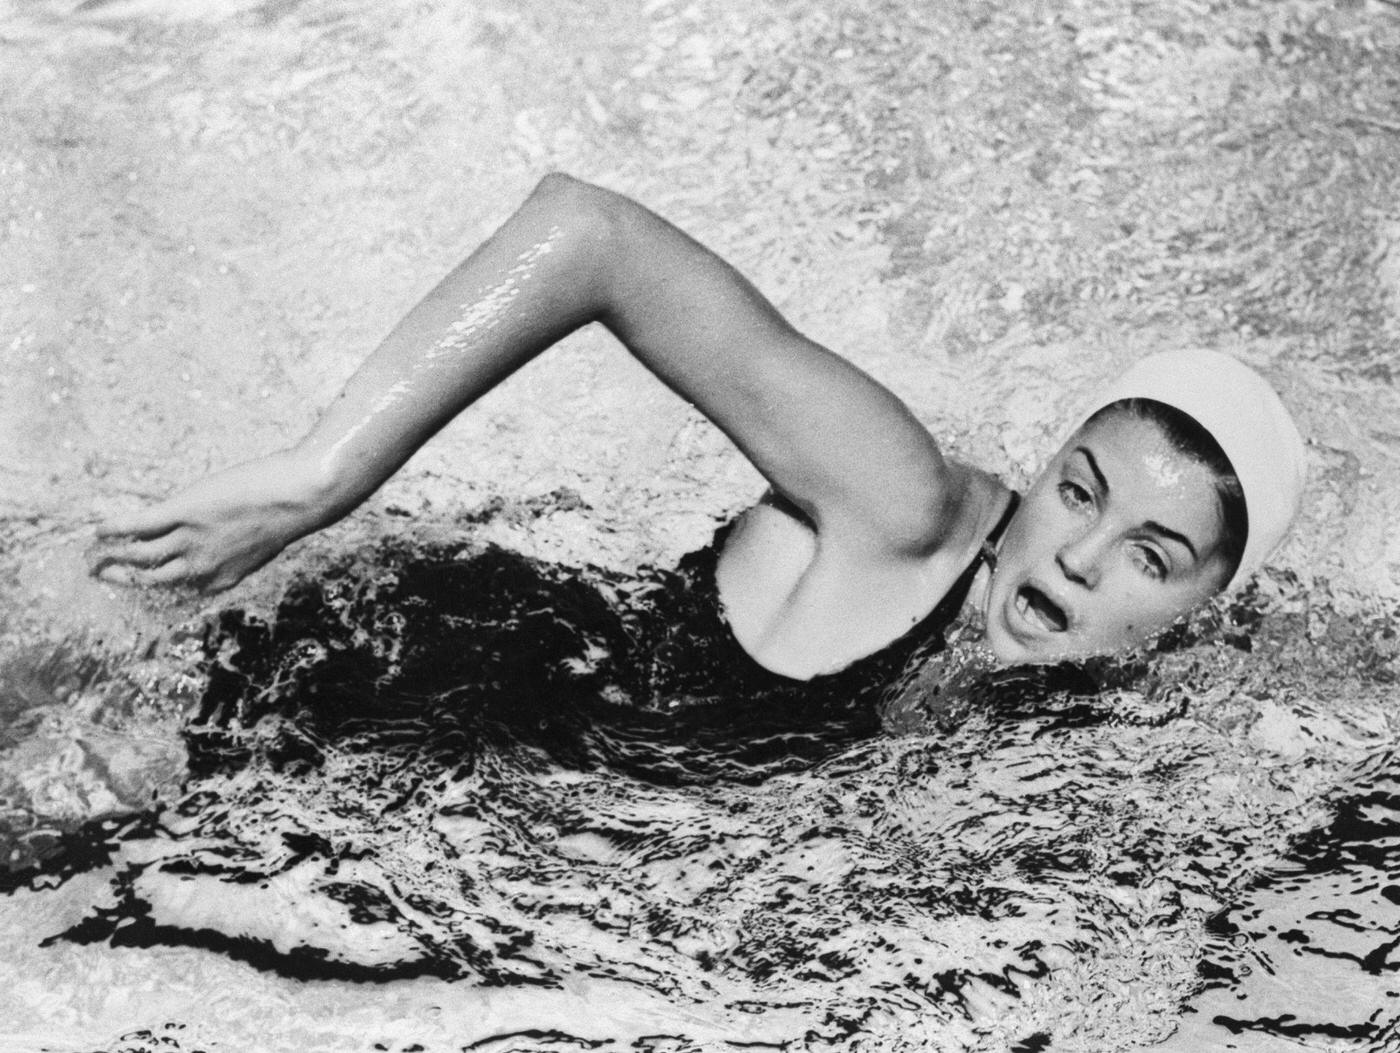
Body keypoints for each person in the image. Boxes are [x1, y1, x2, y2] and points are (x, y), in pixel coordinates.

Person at [88, 174, 1306, 682]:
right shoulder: (902, 502)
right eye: (1080, 492)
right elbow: (590, 237)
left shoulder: (1128, 700)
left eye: (1151, 554)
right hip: (335, 670)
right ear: (1040, 476)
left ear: (1206, 612)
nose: (1076, 558)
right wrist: (317, 479)